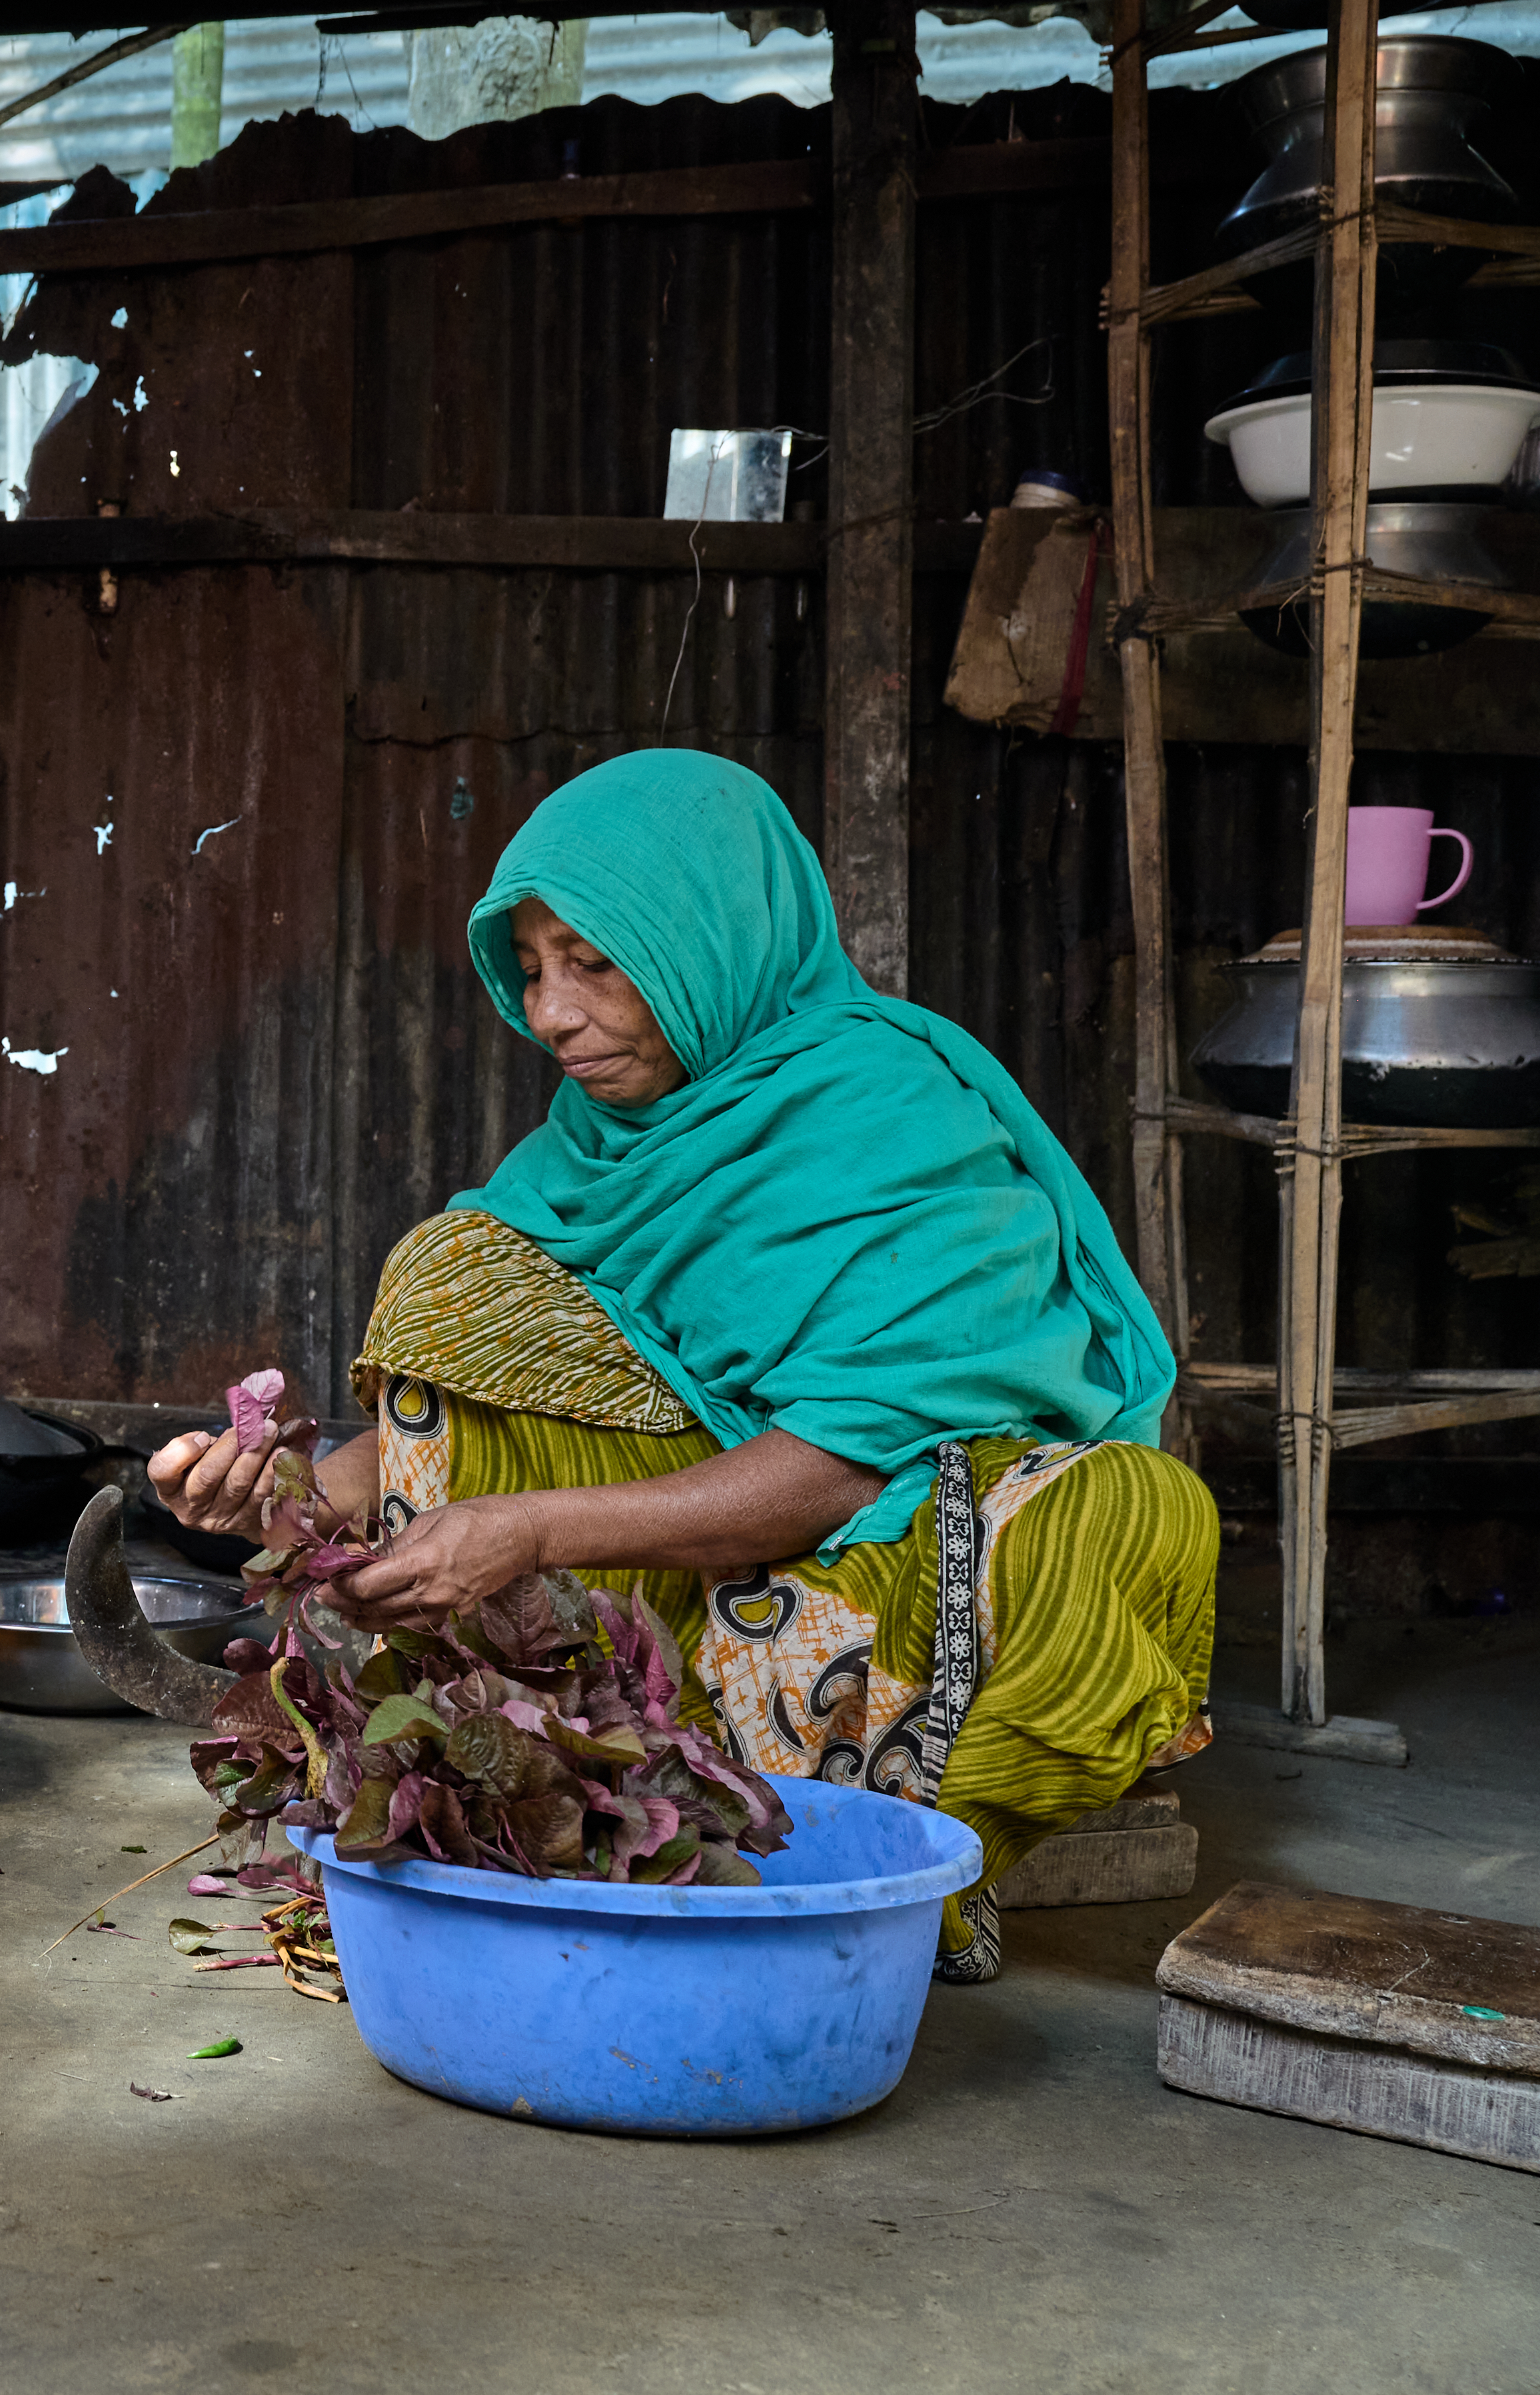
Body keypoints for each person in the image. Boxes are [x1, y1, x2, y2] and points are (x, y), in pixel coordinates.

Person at [151, 749, 1213, 1982]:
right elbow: (487, 1420)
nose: (552, 1015)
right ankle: (584, 1789)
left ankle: (921, 1853)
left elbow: (842, 1463)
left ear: (714, 937)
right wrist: (288, 1500)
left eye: (595, 964)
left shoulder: (888, 1111)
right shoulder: (593, 1149)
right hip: (668, 1572)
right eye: (535, 969)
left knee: (1136, 1517)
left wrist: (532, 1531)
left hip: (903, 1561)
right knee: (457, 1269)